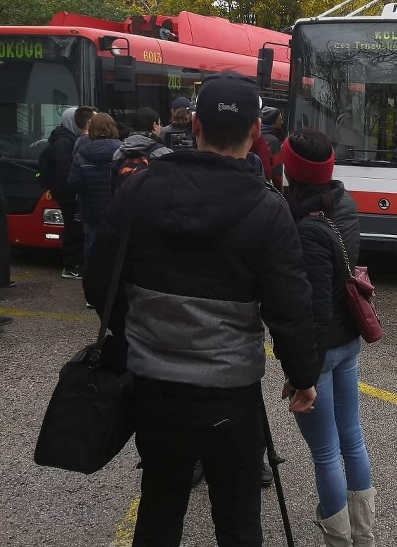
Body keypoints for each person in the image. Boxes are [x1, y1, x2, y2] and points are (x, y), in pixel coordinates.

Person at [84, 72, 321, 547]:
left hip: (153, 388)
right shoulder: (268, 208)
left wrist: (138, 331)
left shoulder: (140, 189)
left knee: (159, 508)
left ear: (195, 128)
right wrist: (303, 373)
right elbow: (289, 306)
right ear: (256, 134)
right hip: (230, 395)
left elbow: (98, 281)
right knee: (237, 522)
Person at [282, 129, 376, 547]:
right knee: (352, 437)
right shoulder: (345, 204)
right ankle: (363, 535)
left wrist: (302, 377)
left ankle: (340, 540)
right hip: (348, 340)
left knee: (325, 452)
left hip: (319, 350)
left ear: (290, 169)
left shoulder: (302, 227)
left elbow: (312, 310)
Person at [39, 105, 95, 278]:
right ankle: (70, 265)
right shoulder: (65, 143)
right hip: (68, 194)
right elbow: (66, 172)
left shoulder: (66, 139)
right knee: (73, 229)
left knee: (75, 228)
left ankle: (74, 263)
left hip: (66, 192)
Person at [68, 113, 120, 260]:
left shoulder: (82, 154)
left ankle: (93, 278)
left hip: (91, 211)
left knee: (92, 245)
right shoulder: (122, 151)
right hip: (116, 209)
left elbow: (73, 184)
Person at [110, 108, 172, 193]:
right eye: (160, 124)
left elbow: (113, 185)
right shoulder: (164, 153)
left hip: (125, 203)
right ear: (154, 125)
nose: (161, 127)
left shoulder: (119, 152)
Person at [261, 107, 285, 189]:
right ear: (273, 123)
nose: (282, 122)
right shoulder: (273, 141)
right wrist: (280, 191)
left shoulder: (256, 135)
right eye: (280, 119)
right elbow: (277, 172)